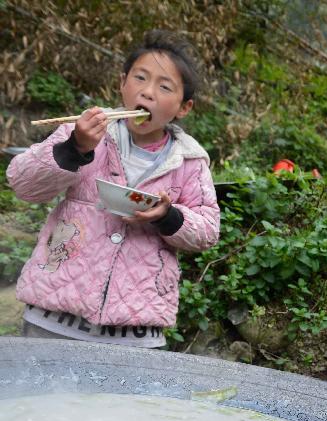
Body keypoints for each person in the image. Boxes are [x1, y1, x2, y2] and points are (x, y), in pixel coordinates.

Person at [7, 30, 219, 347]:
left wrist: (168, 217)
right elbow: (22, 184)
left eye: (164, 87)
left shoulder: (189, 161)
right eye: (140, 78)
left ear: (183, 107)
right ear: (122, 83)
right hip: (53, 316)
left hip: (134, 332)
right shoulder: (82, 132)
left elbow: (208, 230)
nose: (147, 93)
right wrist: (73, 149)